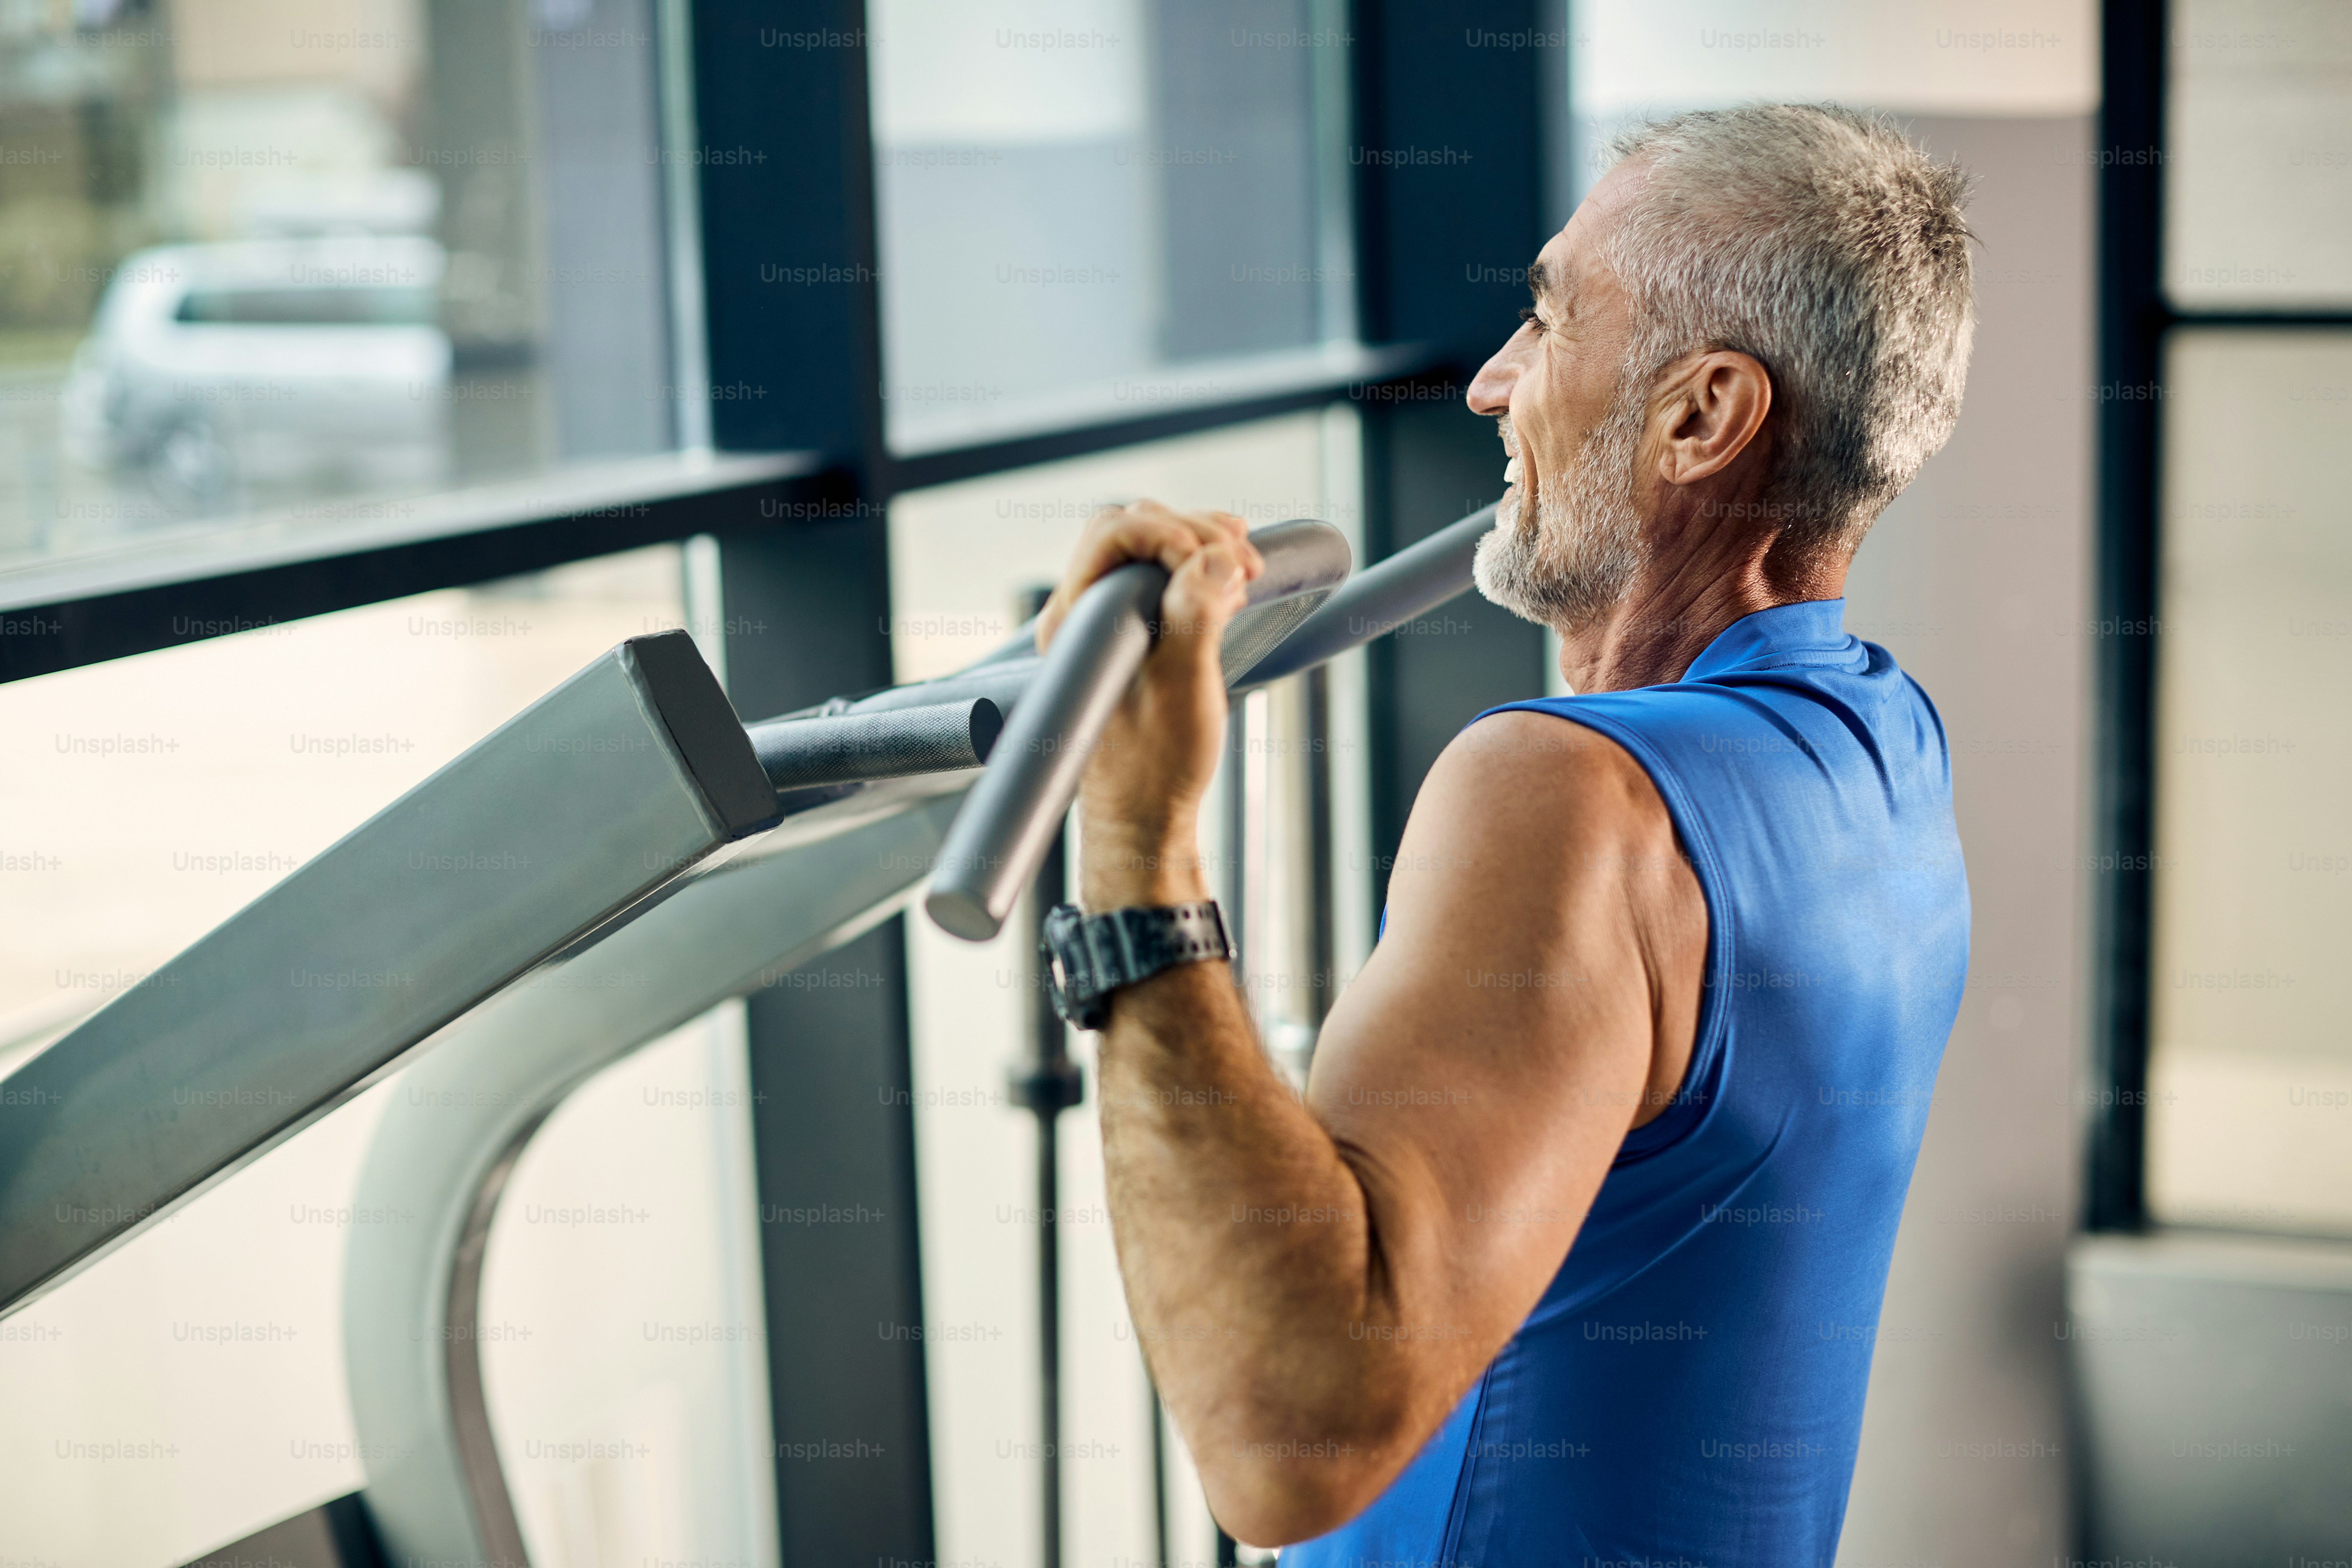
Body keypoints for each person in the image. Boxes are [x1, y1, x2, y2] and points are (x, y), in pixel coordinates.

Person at [1031, 103, 1975, 1562]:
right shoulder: (1884, 742)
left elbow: (1287, 1446)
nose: (1492, 384)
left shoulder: (1566, 792)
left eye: (1548, 321)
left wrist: (1134, 848)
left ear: (1700, 418)